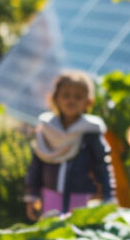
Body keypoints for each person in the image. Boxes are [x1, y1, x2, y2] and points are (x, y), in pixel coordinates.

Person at [23, 71, 115, 219]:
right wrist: (32, 195)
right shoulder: (47, 130)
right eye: (66, 96)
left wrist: (108, 194)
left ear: (88, 102)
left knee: (77, 234)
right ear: (55, 99)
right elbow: (36, 166)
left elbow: (102, 166)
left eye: (78, 97)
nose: (71, 101)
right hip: (50, 194)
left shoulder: (90, 132)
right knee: (51, 233)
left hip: (81, 195)